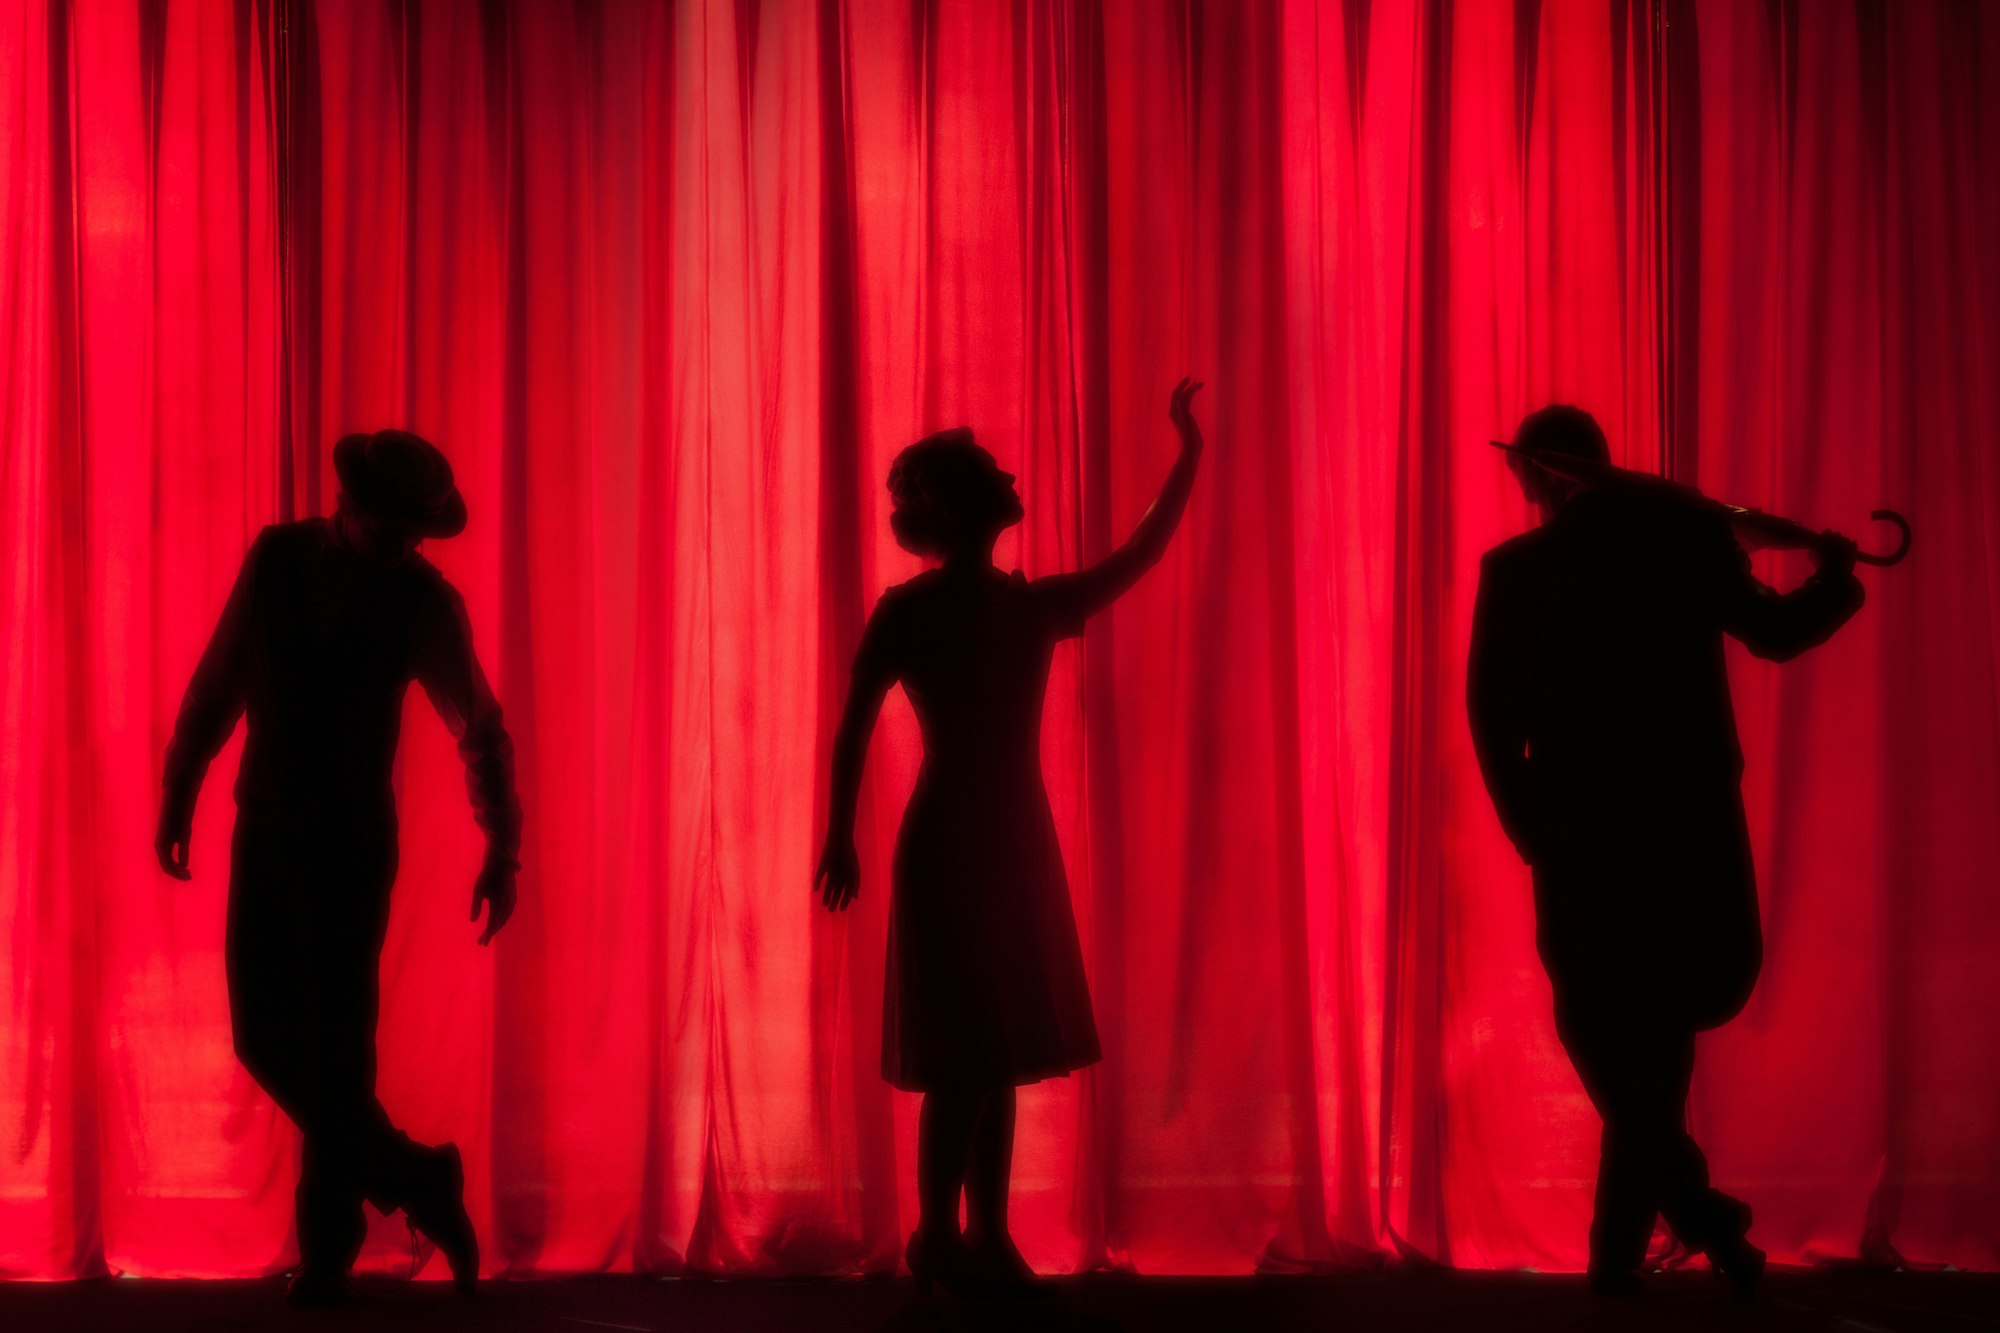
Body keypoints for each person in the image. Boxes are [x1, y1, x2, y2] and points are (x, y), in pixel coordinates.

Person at [816, 378, 1206, 1292]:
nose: (1008, 473)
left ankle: (981, 1235)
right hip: (953, 842)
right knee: (964, 1053)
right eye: (989, 469)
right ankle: (938, 1238)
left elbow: (1142, 555)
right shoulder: (917, 611)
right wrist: (838, 834)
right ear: (955, 505)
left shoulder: (1024, 604)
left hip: (1009, 840)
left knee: (993, 1057)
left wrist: (1187, 451)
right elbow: (853, 725)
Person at [1467, 405, 1866, 1299]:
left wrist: (1532, 825)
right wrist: (1836, 577)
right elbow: (1777, 631)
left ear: (1538, 476)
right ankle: (1675, 1234)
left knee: (1605, 1031)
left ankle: (1655, 1238)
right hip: (1684, 825)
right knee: (1655, 1041)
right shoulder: (1685, 539)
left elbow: (1492, 717)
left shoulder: (1520, 568)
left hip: (1583, 832)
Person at [155, 430, 520, 1306]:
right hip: (269, 823)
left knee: (336, 1049)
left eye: (413, 532)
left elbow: (479, 728)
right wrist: (181, 784)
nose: (403, 545)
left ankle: (329, 1250)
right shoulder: (279, 558)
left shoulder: (422, 599)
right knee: (266, 1038)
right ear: (349, 505)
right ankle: (418, 1177)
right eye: (391, 526)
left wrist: (502, 844)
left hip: (353, 839)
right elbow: (219, 681)